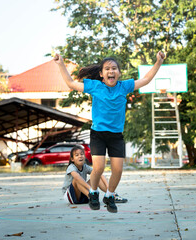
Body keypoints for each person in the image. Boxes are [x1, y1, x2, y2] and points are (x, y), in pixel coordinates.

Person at [55, 51, 165, 213]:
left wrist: (159, 62)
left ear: (119, 73)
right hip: (98, 134)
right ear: (101, 74)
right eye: (107, 69)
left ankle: (110, 195)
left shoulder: (124, 86)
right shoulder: (95, 86)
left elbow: (146, 79)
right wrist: (60, 63)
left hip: (116, 136)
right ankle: (93, 193)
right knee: (98, 168)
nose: (111, 71)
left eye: (114, 68)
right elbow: (71, 83)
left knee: (118, 170)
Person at [62, 145, 127, 209]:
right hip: (70, 196)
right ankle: (92, 197)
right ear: (72, 159)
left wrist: (108, 188)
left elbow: (99, 174)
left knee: (97, 176)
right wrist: (91, 190)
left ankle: (111, 195)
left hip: (83, 193)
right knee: (76, 180)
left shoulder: (85, 166)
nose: (80, 156)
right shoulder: (71, 167)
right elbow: (77, 177)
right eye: (77, 155)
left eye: (82, 154)